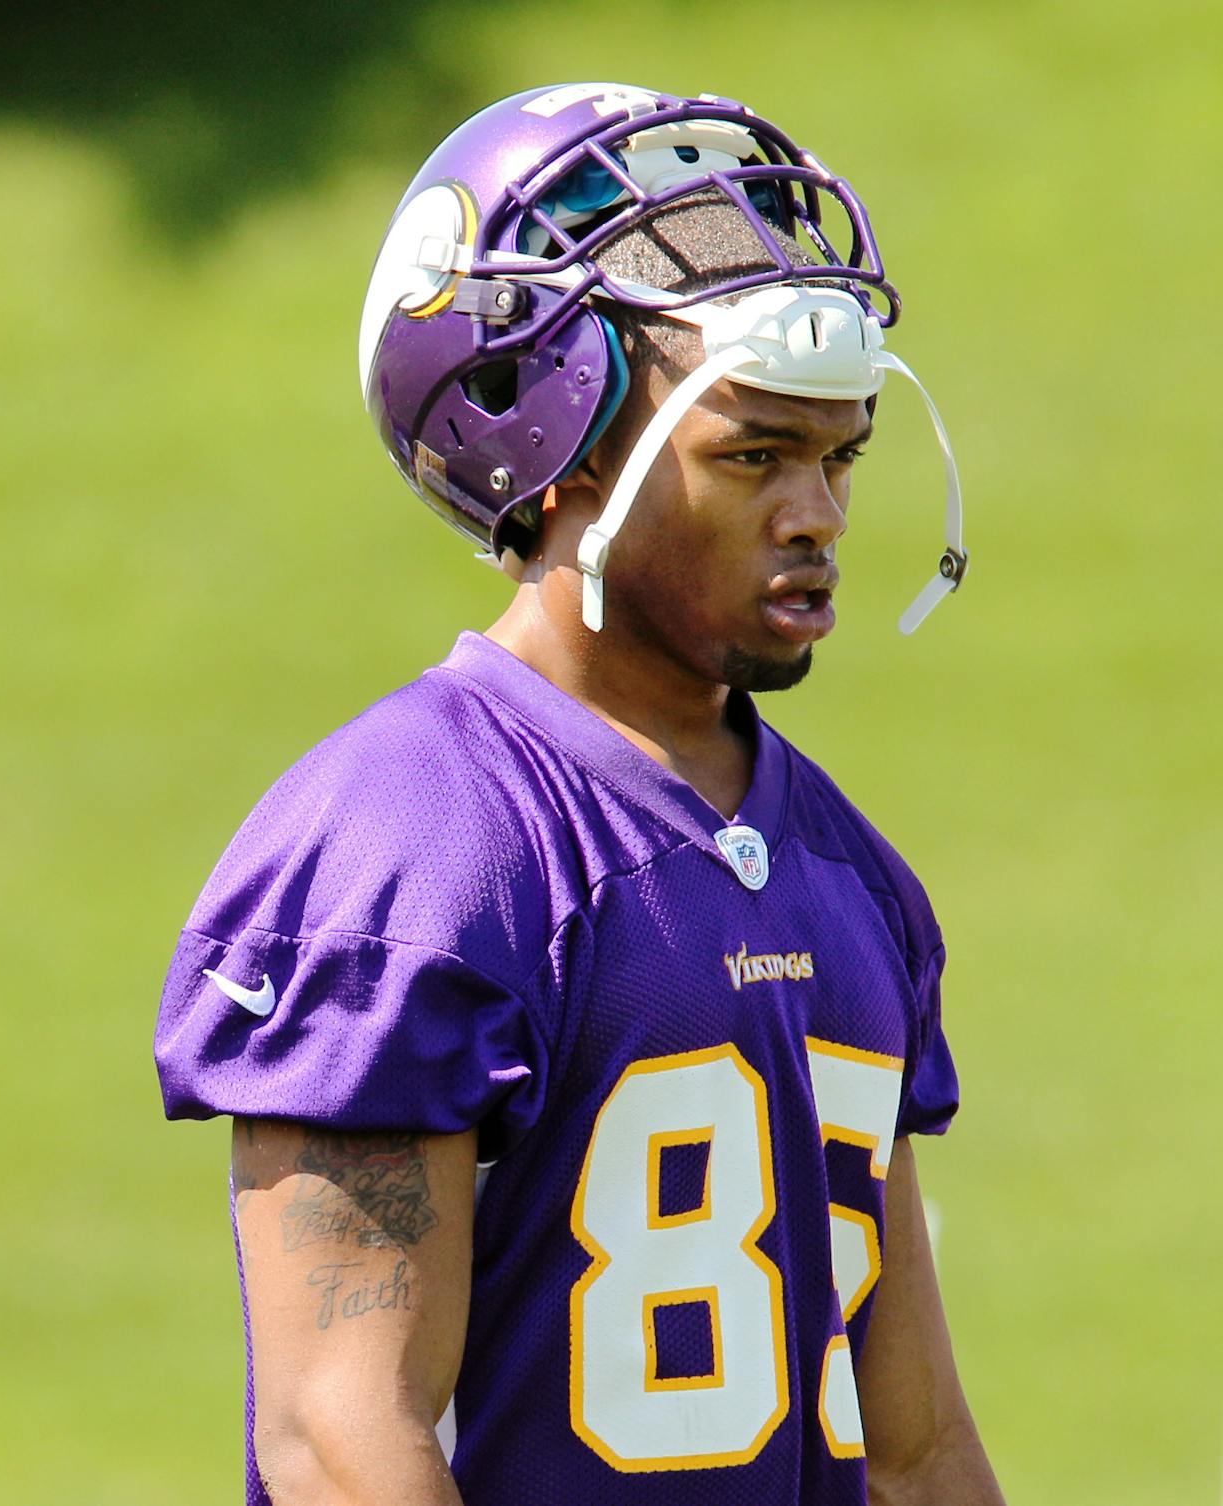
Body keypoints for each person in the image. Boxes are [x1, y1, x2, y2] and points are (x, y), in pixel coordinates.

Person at [155, 83, 1003, 1504]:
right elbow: (337, 1438)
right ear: (556, 447)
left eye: (839, 453)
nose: (821, 516)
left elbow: (911, 1443)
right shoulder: (411, 848)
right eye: (754, 454)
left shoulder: (851, 875)